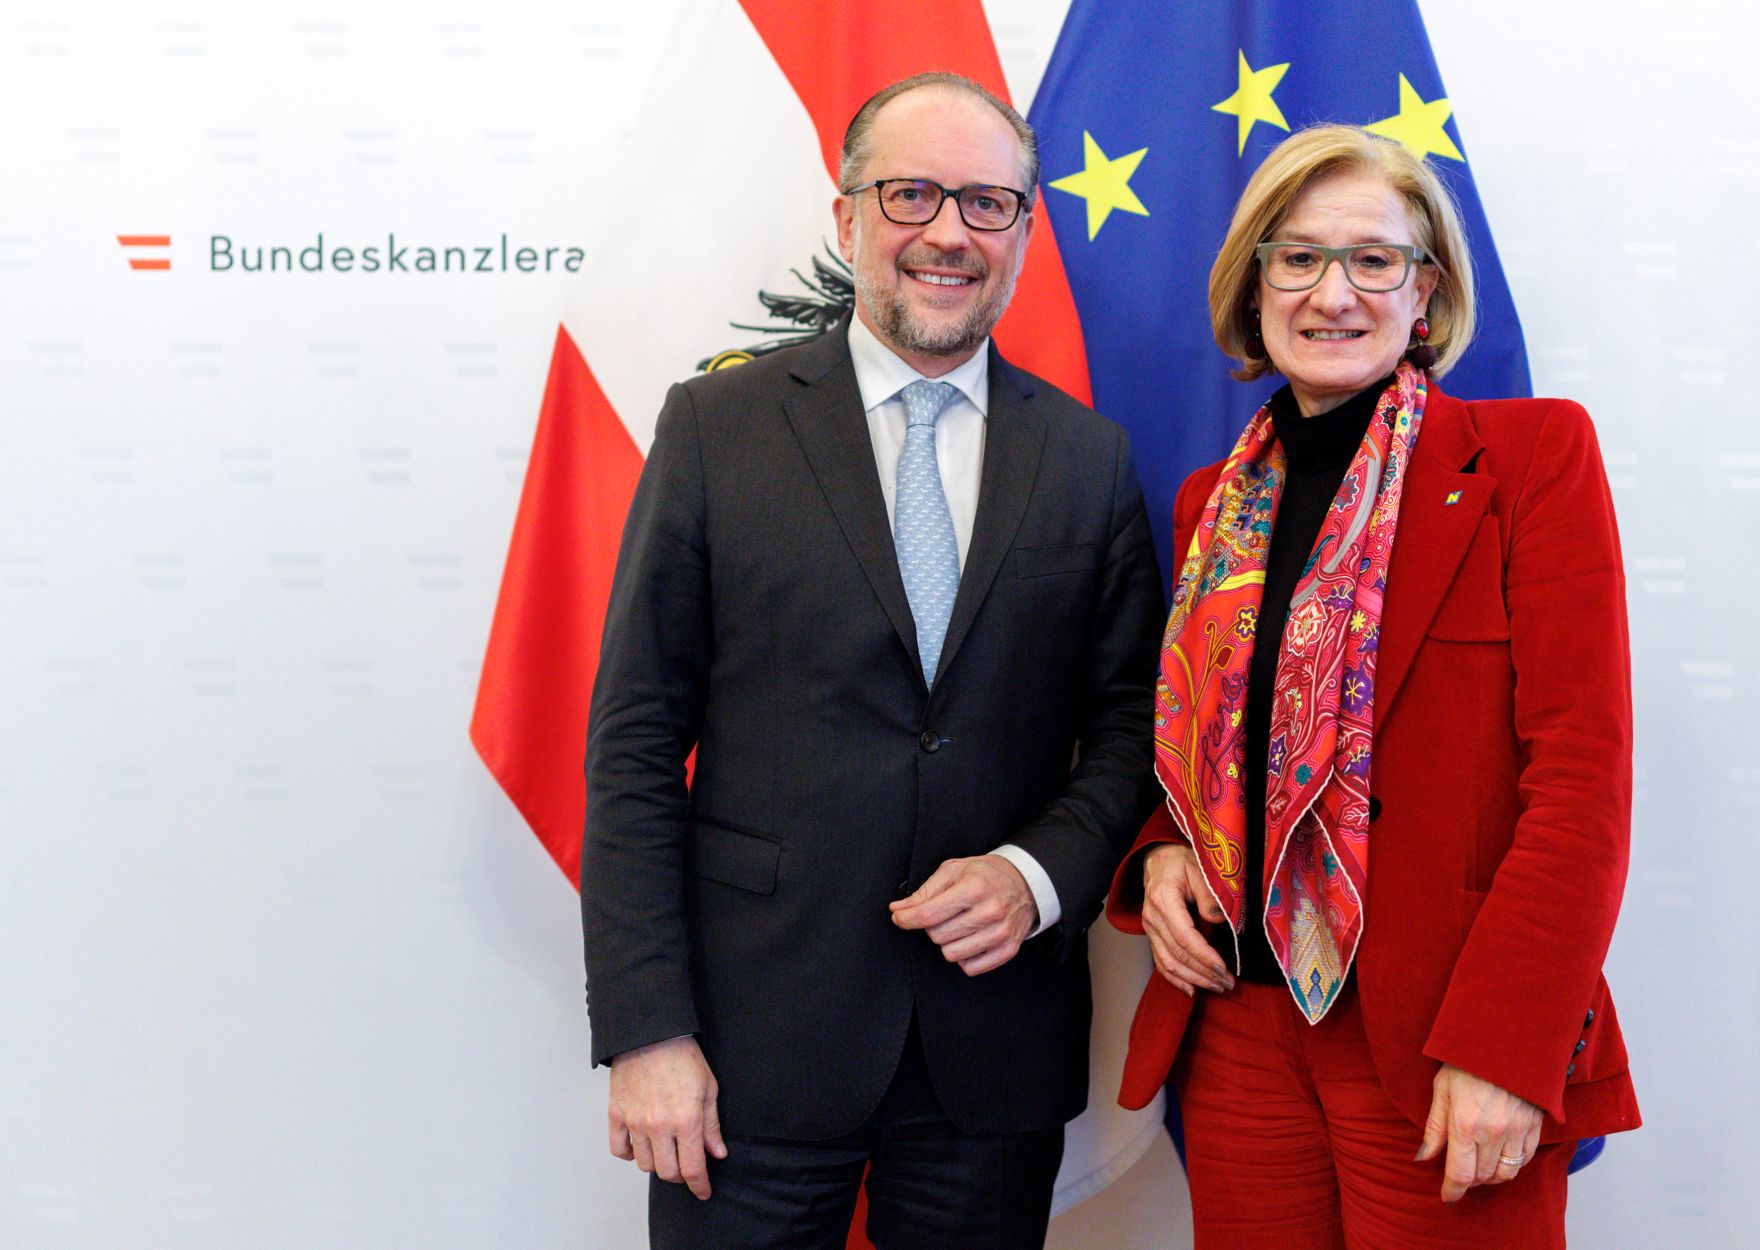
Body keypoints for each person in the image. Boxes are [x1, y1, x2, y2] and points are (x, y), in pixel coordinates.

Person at [582, 72, 1164, 1250]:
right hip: (747, 1052)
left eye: (987, 203)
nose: (948, 231)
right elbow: (636, 741)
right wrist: (648, 1032)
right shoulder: (714, 431)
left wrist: (1038, 872)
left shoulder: (1089, 460)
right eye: (911, 194)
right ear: (845, 219)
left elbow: (1132, 726)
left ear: (1022, 228)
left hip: (989, 1059)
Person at [1106, 124, 1640, 1249]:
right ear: (1252, 287)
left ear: (1425, 290)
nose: (1330, 292)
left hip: (1440, 1036)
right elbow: (1217, 743)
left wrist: (1505, 1045)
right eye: (1294, 257)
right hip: (1240, 1034)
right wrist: (1161, 847)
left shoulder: (1527, 461)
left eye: (1371, 259)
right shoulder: (1213, 503)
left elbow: (1579, 781)